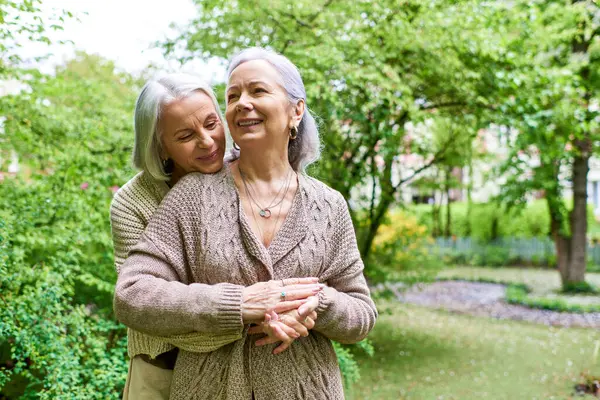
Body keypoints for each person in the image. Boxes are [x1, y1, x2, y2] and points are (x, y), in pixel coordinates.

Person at [114, 48, 377, 400]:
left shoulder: (329, 205)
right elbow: (133, 294)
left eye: (258, 91)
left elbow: (362, 313)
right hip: (202, 386)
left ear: (296, 110)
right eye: (233, 95)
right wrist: (238, 305)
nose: (242, 102)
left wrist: (317, 303)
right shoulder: (192, 194)